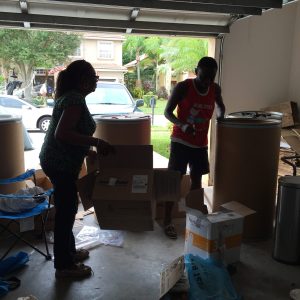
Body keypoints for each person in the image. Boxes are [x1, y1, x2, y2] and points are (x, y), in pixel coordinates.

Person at [39, 60, 114, 278]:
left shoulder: (72, 97)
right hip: (59, 163)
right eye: (94, 78)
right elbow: (62, 134)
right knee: (66, 212)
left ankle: (69, 252)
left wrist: (87, 151)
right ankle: (64, 266)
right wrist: (97, 143)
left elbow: (70, 134)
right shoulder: (74, 99)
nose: (96, 82)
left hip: (57, 160)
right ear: (83, 80)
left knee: (68, 208)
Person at [163, 56, 225, 239]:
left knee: (197, 183)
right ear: (196, 70)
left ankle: (195, 219)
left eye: (211, 78)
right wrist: (182, 125)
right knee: (174, 180)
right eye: (204, 76)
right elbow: (167, 112)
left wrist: (222, 118)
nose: (207, 82)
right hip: (181, 141)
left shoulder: (215, 89)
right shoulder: (183, 87)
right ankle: (167, 221)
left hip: (200, 144)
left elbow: (221, 107)